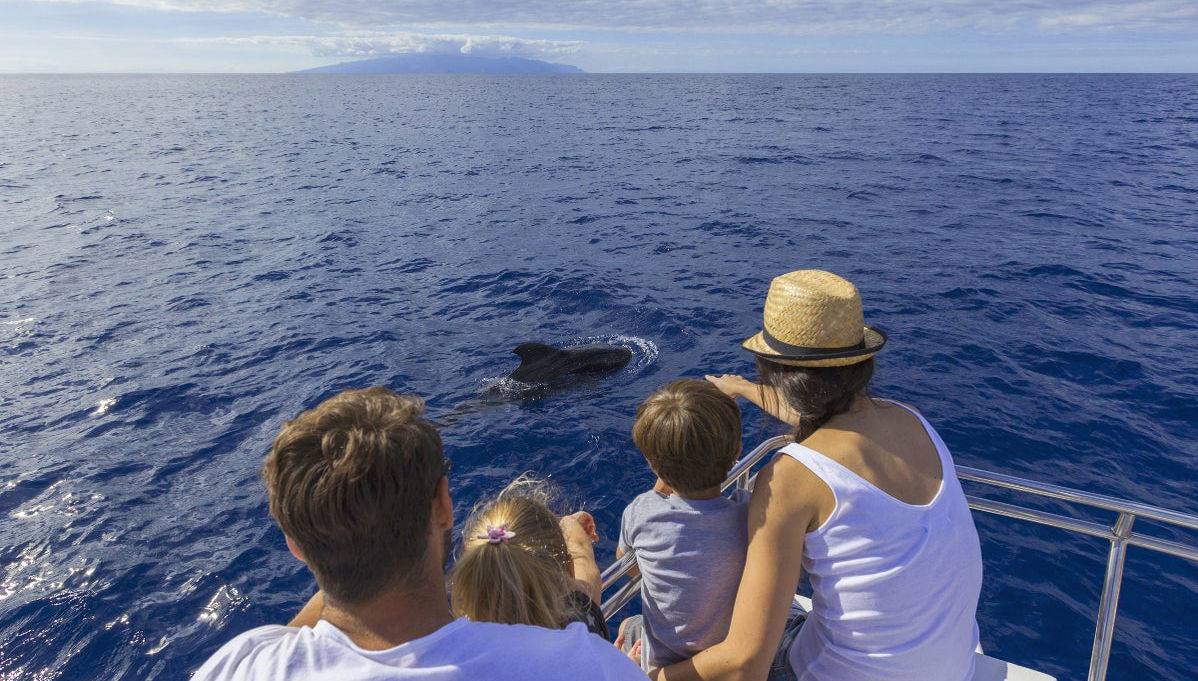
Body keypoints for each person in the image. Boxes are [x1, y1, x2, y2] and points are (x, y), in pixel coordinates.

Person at [653, 270, 983, 681]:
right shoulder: (908, 419)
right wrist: (742, 388)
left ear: (773, 369)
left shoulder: (790, 478)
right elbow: (827, 417)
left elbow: (745, 665)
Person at [192, 386, 646, 681]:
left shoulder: (241, 665)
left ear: (294, 546)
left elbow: (292, 638)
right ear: (444, 505)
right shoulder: (584, 666)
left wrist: (337, 540)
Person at [613, 379, 751, 672]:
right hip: (727, 656)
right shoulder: (749, 511)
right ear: (737, 450)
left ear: (652, 465)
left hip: (665, 662)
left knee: (627, 623)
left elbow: (628, 567)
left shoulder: (641, 511)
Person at [451, 475, 609, 638]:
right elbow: (583, 557)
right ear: (567, 572)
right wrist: (569, 522)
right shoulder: (579, 626)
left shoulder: (459, 653)